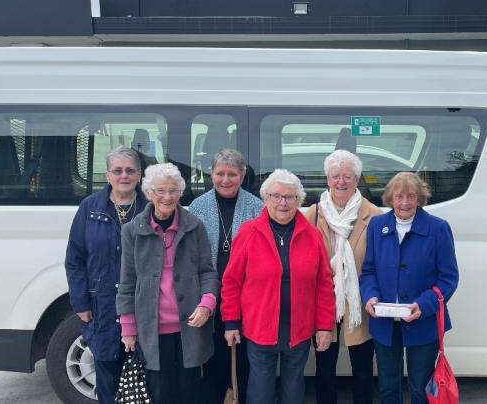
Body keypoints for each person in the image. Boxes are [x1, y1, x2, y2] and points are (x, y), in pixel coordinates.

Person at [221, 169, 336, 404]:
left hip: (299, 329)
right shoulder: (248, 232)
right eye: (276, 196)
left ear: (299, 201)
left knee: (293, 390)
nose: (282, 203)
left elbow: (324, 283)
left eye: (290, 197)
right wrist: (231, 322)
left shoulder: (312, 235)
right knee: (260, 392)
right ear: (266, 198)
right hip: (259, 328)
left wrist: (325, 326)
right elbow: (231, 281)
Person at [116, 163, 219, 404]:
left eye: (173, 190)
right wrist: (128, 328)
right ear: (149, 193)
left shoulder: (195, 226)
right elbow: (127, 282)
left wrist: (207, 304)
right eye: (160, 190)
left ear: (180, 193)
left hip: (190, 329)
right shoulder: (132, 230)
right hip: (151, 329)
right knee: (160, 393)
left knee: (189, 393)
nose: (167, 197)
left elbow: (208, 273)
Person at [360, 172, 459, 404]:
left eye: (411, 197)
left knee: (419, 388)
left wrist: (423, 305)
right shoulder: (377, 225)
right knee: (387, 387)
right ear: (390, 198)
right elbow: (369, 271)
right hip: (385, 322)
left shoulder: (438, 228)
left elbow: (449, 278)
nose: (405, 203)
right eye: (399, 197)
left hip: (423, 322)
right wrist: (370, 296)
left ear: (420, 199)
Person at [65, 146, 148, 404]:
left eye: (130, 170)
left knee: (143, 380)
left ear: (139, 175)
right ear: (108, 175)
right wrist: (80, 303)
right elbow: (74, 260)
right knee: (107, 376)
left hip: (141, 306)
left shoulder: (149, 208)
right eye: (118, 170)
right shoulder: (89, 208)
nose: (124, 176)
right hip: (102, 306)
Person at [304, 150, 381, 404]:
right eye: (335, 176)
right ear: (327, 179)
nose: (341, 182)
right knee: (325, 367)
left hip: (359, 300)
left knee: (362, 368)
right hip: (323, 300)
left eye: (347, 176)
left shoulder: (374, 215)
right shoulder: (312, 214)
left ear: (357, 180)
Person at [188, 148, 263, 404]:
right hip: (208, 293)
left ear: (242, 176)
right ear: (211, 174)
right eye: (220, 173)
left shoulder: (256, 206)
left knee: (243, 355)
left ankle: (240, 395)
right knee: (213, 355)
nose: (225, 179)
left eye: (232, 174)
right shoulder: (198, 206)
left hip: (245, 295)